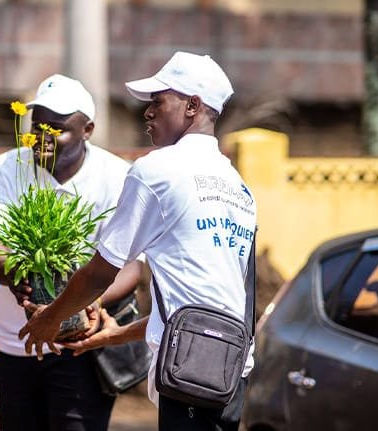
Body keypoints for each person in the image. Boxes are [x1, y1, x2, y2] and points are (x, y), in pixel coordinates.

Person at [20, 51, 257, 431]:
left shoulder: (157, 170)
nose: (147, 112)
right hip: (229, 372)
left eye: (158, 101)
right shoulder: (238, 187)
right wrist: (116, 336)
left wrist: (51, 317)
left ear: (192, 106)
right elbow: (204, 303)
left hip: (190, 373)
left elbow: (100, 274)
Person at [0, 74, 144, 431]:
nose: (43, 137)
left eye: (57, 129)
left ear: (88, 130)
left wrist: (88, 301)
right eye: (37, 127)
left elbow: (132, 265)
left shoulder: (118, 176)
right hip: (17, 340)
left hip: (83, 345)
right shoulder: (4, 170)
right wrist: (18, 274)